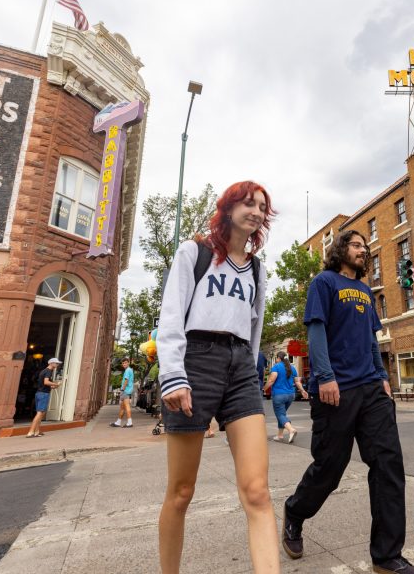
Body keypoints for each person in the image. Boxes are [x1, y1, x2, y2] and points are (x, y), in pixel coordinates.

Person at [281, 230, 414, 574]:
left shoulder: (364, 291)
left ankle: (387, 556)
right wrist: (325, 376)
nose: (364, 250)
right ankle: (295, 512)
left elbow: (371, 340)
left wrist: (382, 376)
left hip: (371, 390)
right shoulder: (324, 282)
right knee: (330, 468)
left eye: (366, 247)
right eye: (358, 245)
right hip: (335, 390)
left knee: (388, 465)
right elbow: (316, 330)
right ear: (341, 249)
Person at [156, 181, 279, 574]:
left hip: (241, 366)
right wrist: (173, 375)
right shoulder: (196, 252)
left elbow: (254, 326)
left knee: (258, 491)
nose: (256, 210)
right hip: (196, 361)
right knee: (181, 492)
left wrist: (252, 367)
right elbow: (171, 315)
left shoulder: (258, 269)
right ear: (227, 208)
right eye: (248, 203)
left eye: (262, 206)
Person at [264, 352, 308, 443]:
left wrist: (264, 388)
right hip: (291, 395)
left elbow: (271, 380)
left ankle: (291, 430)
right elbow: (297, 382)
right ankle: (280, 435)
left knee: (280, 415)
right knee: (282, 414)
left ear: (278, 358)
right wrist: (303, 391)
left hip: (279, 395)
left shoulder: (276, 367)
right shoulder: (292, 368)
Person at [26, 357, 62, 438]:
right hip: (43, 394)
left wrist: (53, 387)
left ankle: (37, 431)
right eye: (56, 363)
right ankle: (30, 432)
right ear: (51, 363)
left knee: (41, 413)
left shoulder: (43, 371)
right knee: (39, 413)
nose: (57, 365)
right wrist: (56, 384)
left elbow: (43, 384)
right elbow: (46, 382)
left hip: (39, 393)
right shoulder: (48, 371)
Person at [111, 357, 134, 428]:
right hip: (127, 390)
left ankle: (130, 423)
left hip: (125, 391)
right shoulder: (129, 370)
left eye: (125, 363)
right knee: (122, 407)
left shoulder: (127, 370)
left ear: (128, 363)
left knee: (126, 406)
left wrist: (122, 390)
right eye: (123, 363)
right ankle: (118, 422)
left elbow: (126, 381)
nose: (124, 364)